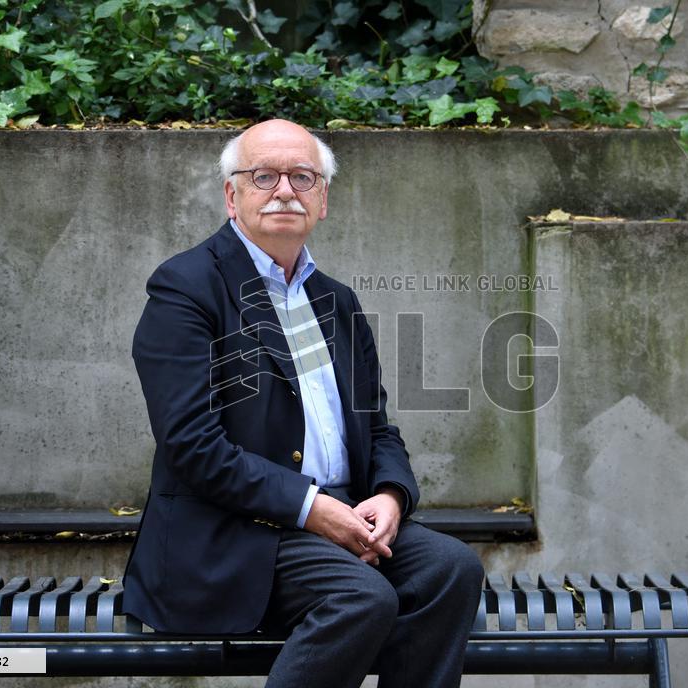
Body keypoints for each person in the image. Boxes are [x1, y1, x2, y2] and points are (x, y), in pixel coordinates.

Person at [121, 119, 484, 687]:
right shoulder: (185, 288)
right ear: (231, 195)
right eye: (264, 176)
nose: (285, 190)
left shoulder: (335, 300)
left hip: (341, 512)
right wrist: (312, 509)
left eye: (303, 177)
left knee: (450, 568)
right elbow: (192, 446)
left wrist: (389, 497)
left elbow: (377, 427)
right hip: (237, 531)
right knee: (360, 598)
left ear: (323, 199)